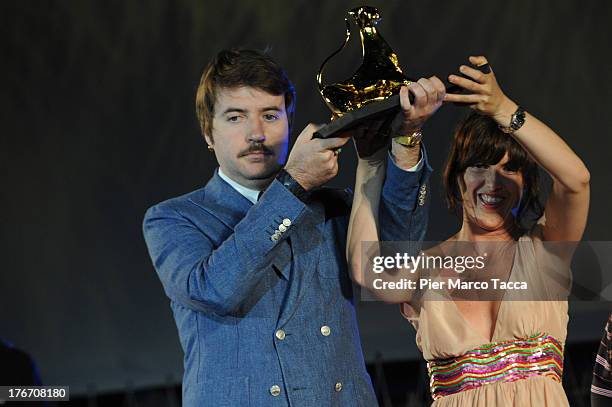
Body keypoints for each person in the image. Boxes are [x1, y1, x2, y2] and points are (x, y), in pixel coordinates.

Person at [142, 48, 444, 406]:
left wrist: (407, 144)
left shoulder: (333, 208)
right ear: (209, 132)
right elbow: (214, 290)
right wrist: (295, 181)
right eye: (235, 118)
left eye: (270, 115)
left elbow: (394, 265)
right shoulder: (174, 218)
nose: (257, 133)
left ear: (291, 122)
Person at [346, 56, 590, 405]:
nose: (494, 182)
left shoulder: (545, 252)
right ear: (457, 179)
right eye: (479, 166)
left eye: (511, 169)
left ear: (526, 183)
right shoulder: (424, 270)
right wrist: (369, 163)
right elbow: (365, 268)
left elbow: (576, 180)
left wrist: (503, 108)